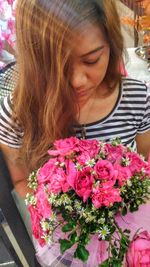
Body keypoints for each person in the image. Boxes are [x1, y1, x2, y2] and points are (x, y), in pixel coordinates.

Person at [0, 0, 150, 266]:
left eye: (92, 59)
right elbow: (21, 181)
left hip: (129, 231)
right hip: (66, 242)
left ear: (111, 45)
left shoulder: (137, 97)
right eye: (56, 66)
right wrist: (67, 215)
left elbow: (147, 161)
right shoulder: (17, 112)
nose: (77, 81)